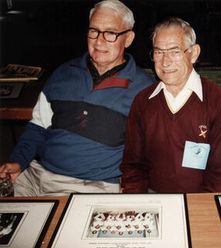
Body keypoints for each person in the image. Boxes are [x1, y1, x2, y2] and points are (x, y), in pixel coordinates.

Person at [0, 0, 154, 196]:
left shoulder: (144, 89)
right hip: (36, 177)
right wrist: (18, 161)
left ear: (129, 38)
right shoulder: (63, 73)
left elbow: (150, 154)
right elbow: (38, 126)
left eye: (110, 33)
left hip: (94, 187)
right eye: (94, 31)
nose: (99, 41)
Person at [120, 17, 221, 193]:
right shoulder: (143, 102)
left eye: (174, 52)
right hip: (152, 199)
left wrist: (199, 210)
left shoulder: (218, 101)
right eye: (158, 52)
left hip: (200, 202)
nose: (165, 62)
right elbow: (133, 165)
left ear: (194, 53)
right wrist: (138, 202)